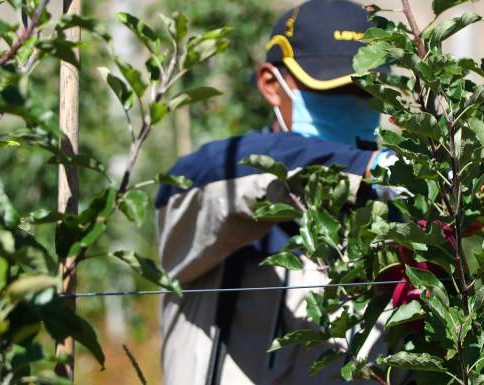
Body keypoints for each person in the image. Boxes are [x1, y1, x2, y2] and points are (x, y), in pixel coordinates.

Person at [155, 1, 390, 384]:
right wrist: (361, 169)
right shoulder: (214, 186)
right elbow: (233, 176)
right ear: (270, 83)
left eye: (368, 92)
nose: (355, 105)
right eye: (333, 91)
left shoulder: (390, 212)